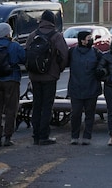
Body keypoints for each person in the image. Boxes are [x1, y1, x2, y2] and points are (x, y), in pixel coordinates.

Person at [27, 10, 69, 146]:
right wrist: (58, 70)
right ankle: (44, 136)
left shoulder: (33, 35)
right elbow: (64, 56)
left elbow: (26, 53)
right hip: (50, 77)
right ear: (53, 21)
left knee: (36, 105)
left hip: (34, 76)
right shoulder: (56, 36)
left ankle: (35, 135)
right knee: (47, 106)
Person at [68, 31, 103, 145]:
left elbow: (104, 63)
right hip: (76, 88)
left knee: (90, 114)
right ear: (82, 40)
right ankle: (75, 136)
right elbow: (62, 63)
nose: (91, 40)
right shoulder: (72, 52)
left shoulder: (96, 52)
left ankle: (87, 136)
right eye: (88, 38)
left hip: (91, 88)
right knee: (76, 114)